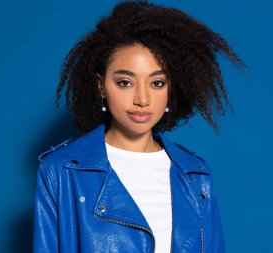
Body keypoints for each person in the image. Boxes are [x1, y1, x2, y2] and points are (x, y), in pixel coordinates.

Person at [33, 1, 243, 252]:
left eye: (157, 83)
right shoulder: (60, 171)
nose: (142, 99)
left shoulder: (196, 175)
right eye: (125, 82)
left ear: (171, 88)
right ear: (101, 86)